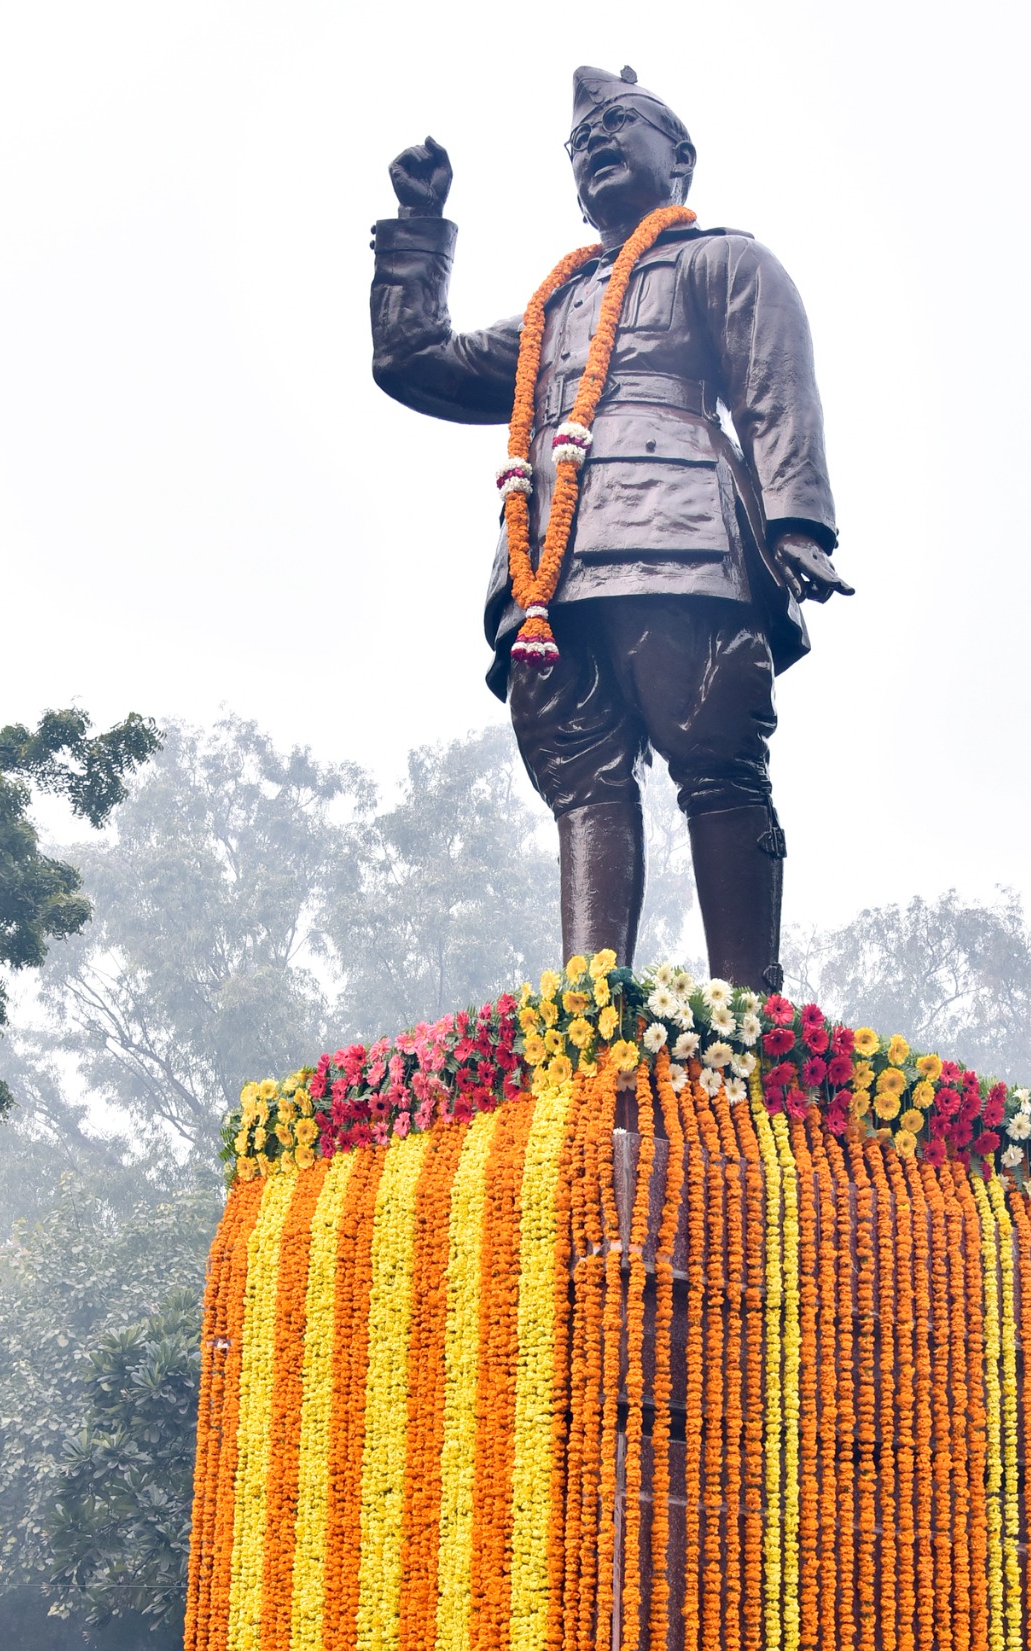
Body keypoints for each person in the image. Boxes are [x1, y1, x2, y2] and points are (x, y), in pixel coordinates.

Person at [371, 66, 851, 992]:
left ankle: (747, 1010)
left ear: (681, 158)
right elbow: (414, 360)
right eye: (580, 142)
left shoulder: (722, 262)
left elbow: (775, 390)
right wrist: (419, 230)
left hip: (685, 544)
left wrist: (799, 525)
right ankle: (589, 1013)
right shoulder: (552, 314)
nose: (595, 143)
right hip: (548, 572)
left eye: (620, 125)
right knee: (582, 780)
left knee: (717, 759)